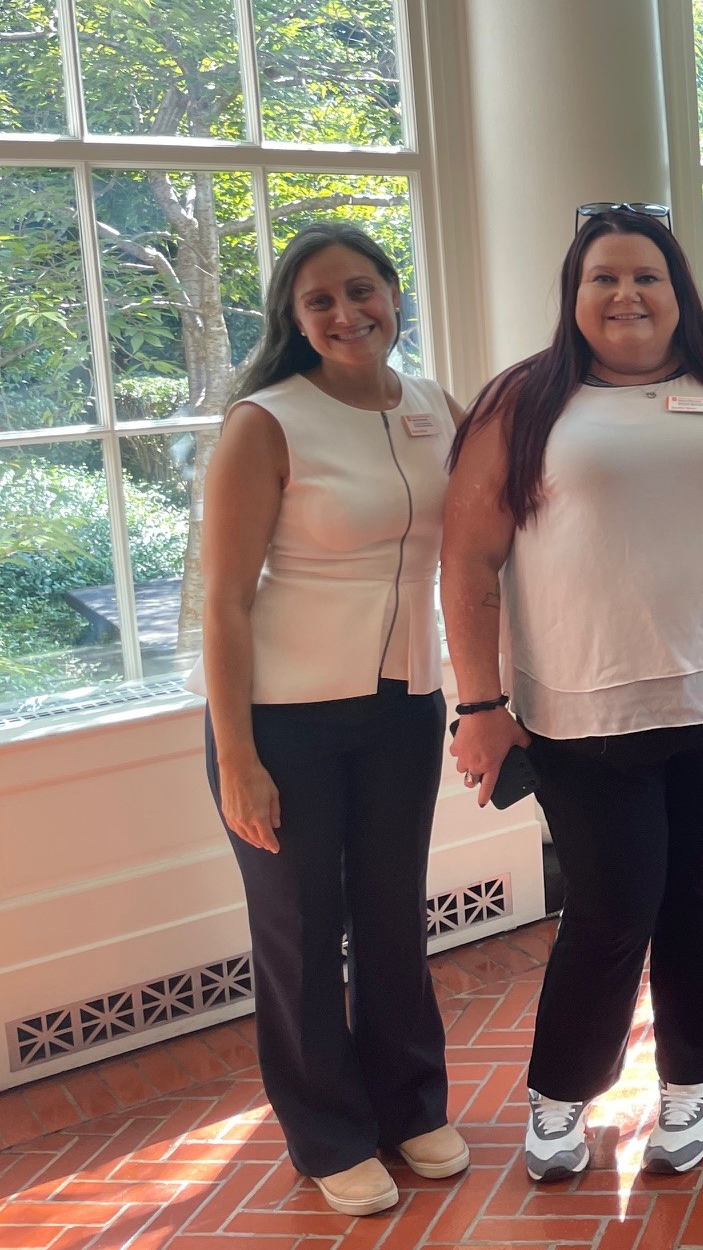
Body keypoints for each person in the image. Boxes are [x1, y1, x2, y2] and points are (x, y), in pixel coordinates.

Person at [440, 203, 703, 1182]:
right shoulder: (523, 402)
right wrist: (480, 704)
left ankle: (693, 1077)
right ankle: (560, 1094)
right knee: (614, 905)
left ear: (679, 292)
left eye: (646, 276)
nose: (625, 294)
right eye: (603, 278)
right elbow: (468, 558)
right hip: (582, 706)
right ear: (574, 296)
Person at [194, 223, 468, 1216]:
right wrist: (236, 756)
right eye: (321, 302)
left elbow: (485, 538)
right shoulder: (265, 422)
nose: (348, 313)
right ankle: (327, 1132)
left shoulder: (436, 407)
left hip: (404, 705)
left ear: (396, 294)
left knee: (395, 916)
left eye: (363, 291)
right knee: (302, 932)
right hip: (284, 719)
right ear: (294, 320)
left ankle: (410, 1104)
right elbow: (223, 599)